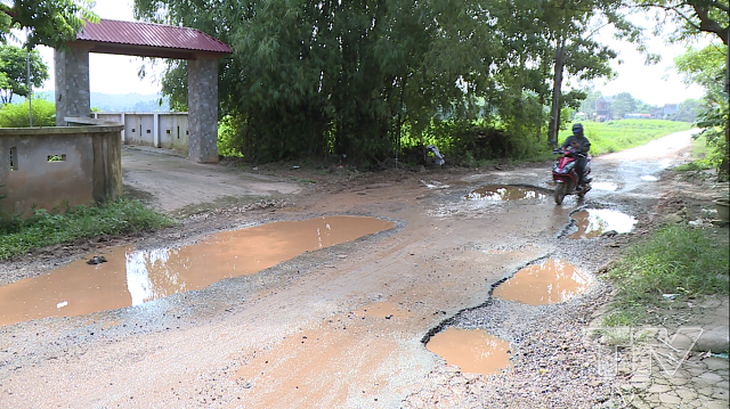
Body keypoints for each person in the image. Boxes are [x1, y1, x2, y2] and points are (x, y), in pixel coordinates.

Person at [558, 123, 591, 189]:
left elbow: (586, 148)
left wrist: (579, 147)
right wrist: (559, 149)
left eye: (577, 130)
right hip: (570, 156)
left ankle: (579, 183)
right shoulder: (570, 138)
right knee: (560, 164)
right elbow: (564, 145)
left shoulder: (584, 140)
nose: (576, 132)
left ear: (581, 130)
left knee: (579, 167)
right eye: (575, 130)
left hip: (581, 157)